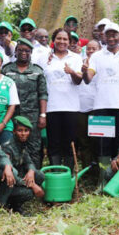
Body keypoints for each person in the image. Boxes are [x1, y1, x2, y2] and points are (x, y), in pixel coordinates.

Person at [83, 22, 119, 160]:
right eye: (108, 35)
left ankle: (117, 175)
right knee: (102, 144)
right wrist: (84, 71)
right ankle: (103, 176)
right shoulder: (96, 56)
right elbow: (88, 79)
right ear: (104, 37)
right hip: (101, 106)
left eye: (114, 35)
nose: (111, 38)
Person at [2, 38, 48, 168]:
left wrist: (43, 115)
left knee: (34, 148)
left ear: (31, 52)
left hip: (32, 116)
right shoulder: (6, 70)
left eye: (27, 51)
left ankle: (35, 177)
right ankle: (14, 177)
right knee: (10, 146)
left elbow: (43, 94)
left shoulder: (37, 71)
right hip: (11, 116)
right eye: (20, 50)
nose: (23, 53)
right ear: (15, 52)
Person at [42, 29, 83, 169]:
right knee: (54, 143)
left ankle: (69, 175)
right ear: (53, 40)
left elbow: (79, 81)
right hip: (52, 107)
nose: (62, 41)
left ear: (69, 41)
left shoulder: (76, 58)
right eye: (59, 38)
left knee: (70, 142)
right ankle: (56, 174)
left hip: (71, 107)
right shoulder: (46, 58)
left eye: (65, 39)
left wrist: (72, 72)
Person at [2, 115, 45, 205]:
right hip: (8, 184)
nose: (23, 134)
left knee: (39, 175)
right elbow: (10, 175)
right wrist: (33, 185)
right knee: (28, 192)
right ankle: (11, 205)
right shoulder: (8, 147)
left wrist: (31, 171)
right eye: (20, 130)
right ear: (14, 131)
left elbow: (29, 162)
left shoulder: (22, 144)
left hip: (18, 179)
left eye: (26, 131)